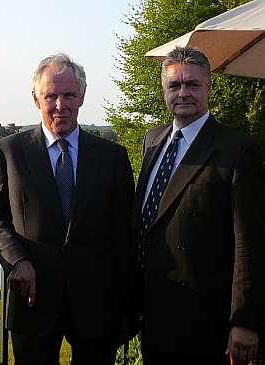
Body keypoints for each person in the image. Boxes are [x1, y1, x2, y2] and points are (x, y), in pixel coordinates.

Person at [0, 53, 136, 365]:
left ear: (82, 96)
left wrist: (129, 306)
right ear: (35, 98)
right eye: (51, 95)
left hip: (96, 304)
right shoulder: (8, 151)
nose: (60, 105)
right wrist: (18, 259)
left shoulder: (112, 157)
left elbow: (125, 234)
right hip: (32, 299)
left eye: (68, 95)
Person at [134, 46, 265, 365]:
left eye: (192, 84)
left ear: (209, 87)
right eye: (174, 86)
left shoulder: (237, 150)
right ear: (164, 91)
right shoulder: (153, 141)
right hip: (153, 316)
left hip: (206, 322)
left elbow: (249, 243)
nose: (183, 93)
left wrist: (244, 321)